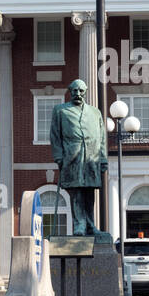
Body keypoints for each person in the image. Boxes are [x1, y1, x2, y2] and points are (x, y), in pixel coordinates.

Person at [48, 79, 110, 240]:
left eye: (81, 91)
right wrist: (58, 156)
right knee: (76, 193)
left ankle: (91, 225)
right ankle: (79, 225)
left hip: (92, 157)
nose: (77, 94)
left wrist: (103, 159)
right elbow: (55, 136)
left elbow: (102, 137)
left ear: (85, 92)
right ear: (70, 92)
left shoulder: (95, 112)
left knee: (89, 192)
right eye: (74, 91)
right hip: (72, 156)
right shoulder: (60, 110)